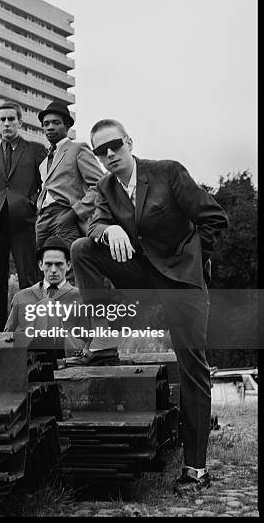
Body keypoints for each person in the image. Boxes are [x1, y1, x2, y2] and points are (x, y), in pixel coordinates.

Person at [69, 118, 228, 494]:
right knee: (81, 250)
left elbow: (213, 219)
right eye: (101, 150)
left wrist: (192, 263)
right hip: (140, 278)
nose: (110, 155)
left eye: (115, 146)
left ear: (129, 142)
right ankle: (104, 339)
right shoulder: (106, 186)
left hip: (181, 282)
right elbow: (93, 223)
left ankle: (195, 469)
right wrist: (108, 229)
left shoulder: (167, 172)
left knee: (192, 369)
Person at [0, 101, 47, 332]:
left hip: (24, 225)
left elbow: (45, 185)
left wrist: (29, 205)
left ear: (19, 122)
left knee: (29, 281)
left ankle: (33, 332)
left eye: (11, 119)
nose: (6, 123)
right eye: (2, 119)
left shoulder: (35, 150)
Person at [36, 101, 103, 248]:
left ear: (67, 126)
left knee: (68, 264)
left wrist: (75, 212)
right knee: (41, 266)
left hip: (65, 214)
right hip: (42, 219)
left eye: (55, 123)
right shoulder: (43, 163)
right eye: (46, 124)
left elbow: (100, 185)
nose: (50, 127)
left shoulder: (78, 149)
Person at [4, 236, 84, 354]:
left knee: (48, 305)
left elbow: (87, 340)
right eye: (48, 264)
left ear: (68, 265)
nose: (53, 270)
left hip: (65, 357)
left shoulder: (80, 298)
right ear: (40, 265)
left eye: (59, 264)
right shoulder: (20, 297)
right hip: (28, 359)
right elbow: (7, 338)